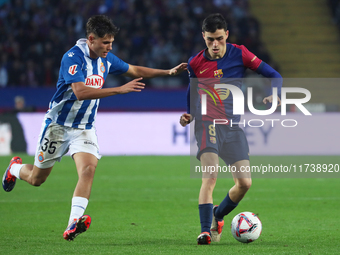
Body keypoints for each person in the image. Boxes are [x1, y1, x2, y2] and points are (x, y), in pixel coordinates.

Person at [2, 15, 187, 241]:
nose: (109, 47)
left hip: (84, 128)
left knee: (88, 170)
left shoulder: (105, 59)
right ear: (91, 39)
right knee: (36, 179)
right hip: (58, 127)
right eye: (105, 43)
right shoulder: (72, 58)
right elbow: (80, 92)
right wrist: (118, 90)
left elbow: (134, 68)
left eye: (111, 43)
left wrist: (167, 72)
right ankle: (14, 169)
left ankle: (72, 224)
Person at [179, 13, 281, 245]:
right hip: (207, 124)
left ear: (226, 34)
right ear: (203, 37)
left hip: (233, 127)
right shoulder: (195, 62)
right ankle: (206, 230)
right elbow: (192, 90)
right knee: (211, 175)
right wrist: (189, 113)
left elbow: (274, 75)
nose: (215, 45)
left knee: (245, 183)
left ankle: (218, 215)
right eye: (210, 40)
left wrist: (274, 94)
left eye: (219, 39)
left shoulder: (240, 53)